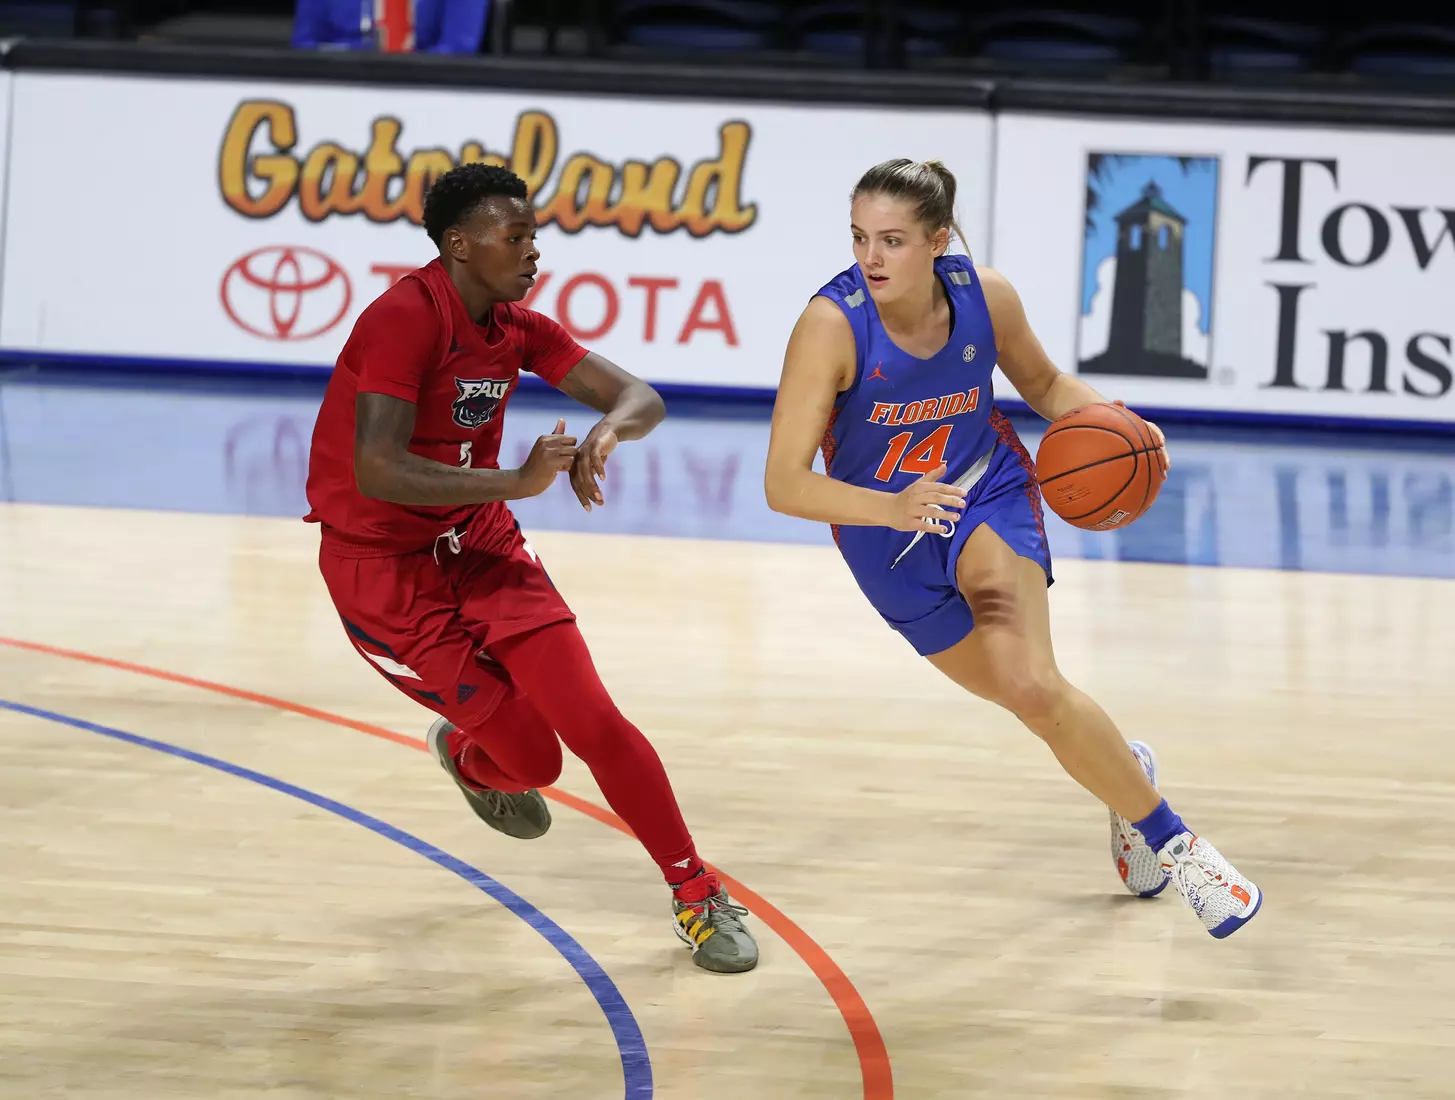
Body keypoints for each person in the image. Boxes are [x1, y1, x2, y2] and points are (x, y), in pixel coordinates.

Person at [763, 158, 1261, 939]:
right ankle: (1123, 774)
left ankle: (1181, 849)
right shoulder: (830, 325)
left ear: (938, 241)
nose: (870, 258)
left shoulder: (984, 297)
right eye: (859, 238)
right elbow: (783, 484)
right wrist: (891, 507)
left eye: (891, 240)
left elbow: (1048, 386)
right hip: (884, 536)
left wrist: (1122, 425)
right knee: (1025, 701)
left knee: (1032, 683)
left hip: (983, 493)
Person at [303, 162, 758, 973]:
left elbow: (641, 397)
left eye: (533, 236)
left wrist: (607, 431)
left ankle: (696, 892)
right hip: (384, 570)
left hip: (478, 541)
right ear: (459, 245)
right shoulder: (403, 318)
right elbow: (377, 468)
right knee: (535, 763)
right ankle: (470, 755)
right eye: (515, 237)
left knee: (593, 720)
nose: (534, 251)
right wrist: (513, 481)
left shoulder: (515, 326)